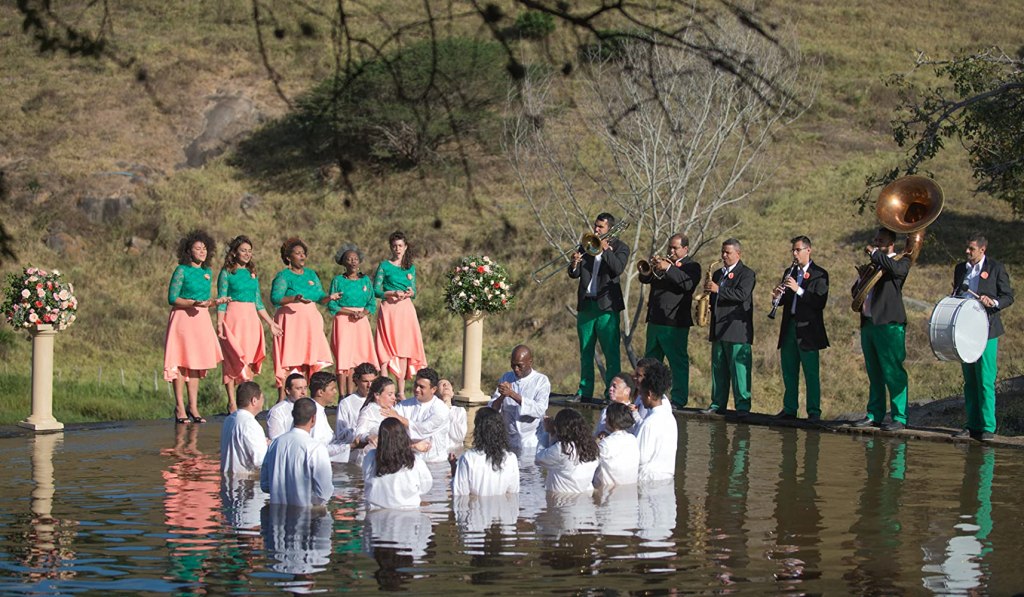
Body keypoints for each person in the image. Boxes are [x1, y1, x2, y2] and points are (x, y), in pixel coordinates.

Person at [951, 234, 1014, 441]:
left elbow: (1008, 297)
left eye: (971, 249)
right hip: (964, 331)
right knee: (970, 381)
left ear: (982, 250)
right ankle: (972, 424)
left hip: (987, 331)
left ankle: (988, 426)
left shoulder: (995, 268)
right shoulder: (961, 269)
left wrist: (994, 302)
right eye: (966, 248)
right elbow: (956, 293)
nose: (967, 252)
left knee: (985, 380)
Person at [164, 229, 228, 424]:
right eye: (197, 248)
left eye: (204, 248)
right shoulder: (181, 270)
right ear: (188, 251)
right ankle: (180, 406)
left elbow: (204, 301)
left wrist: (216, 302)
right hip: (183, 319)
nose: (202, 251)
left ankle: (193, 406)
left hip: (201, 319)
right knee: (182, 361)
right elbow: (172, 298)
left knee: (195, 364)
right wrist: (192, 303)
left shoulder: (207, 272)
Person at [851, 228, 911, 432]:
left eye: (880, 240)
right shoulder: (874, 265)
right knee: (874, 372)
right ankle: (874, 414)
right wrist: (862, 278)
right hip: (869, 324)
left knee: (893, 371)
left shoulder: (901, 261)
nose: (875, 243)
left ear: (891, 243)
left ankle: (899, 416)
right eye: (875, 240)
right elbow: (855, 292)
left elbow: (898, 271)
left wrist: (876, 255)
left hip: (889, 325)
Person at [567, 212, 629, 401]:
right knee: (586, 351)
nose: (596, 230)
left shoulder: (621, 247)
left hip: (607, 307)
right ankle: (584, 391)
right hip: (587, 305)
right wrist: (574, 263)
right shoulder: (586, 245)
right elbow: (574, 274)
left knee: (611, 353)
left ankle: (612, 394)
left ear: (610, 228)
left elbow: (618, 269)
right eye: (595, 226)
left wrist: (606, 251)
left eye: (600, 227)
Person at [217, 235, 283, 413]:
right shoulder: (227, 273)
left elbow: (258, 302)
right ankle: (232, 402)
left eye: (249, 251)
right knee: (232, 358)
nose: (247, 254)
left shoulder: (252, 274)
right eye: (243, 250)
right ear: (235, 252)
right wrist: (219, 322)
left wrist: (270, 323)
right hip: (233, 318)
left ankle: (246, 402)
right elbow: (222, 300)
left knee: (249, 360)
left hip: (251, 320)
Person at [270, 237, 340, 401]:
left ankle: (309, 398)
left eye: (303, 253)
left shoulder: (311, 274)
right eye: (298, 253)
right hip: (291, 323)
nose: (302, 256)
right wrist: (294, 298)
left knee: (310, 360)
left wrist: (330, 297)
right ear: (289, 257)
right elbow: (275, 298)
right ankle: (283, 400)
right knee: (290, 360)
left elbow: (320, 297)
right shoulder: (284, 276)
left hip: (310, 324)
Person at [638, 233, 701, 408]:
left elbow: (687, 285)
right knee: (650, 362)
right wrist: (650, 268)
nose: (671, 251)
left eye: (675, 248)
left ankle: (679, 399)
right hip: (655, 320)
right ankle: (648, 395)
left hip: (675, 323)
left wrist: (668, 269)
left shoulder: (692, 266)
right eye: (670, 247)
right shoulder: (664, 264)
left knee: (677, 362)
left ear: (685, 249)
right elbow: (644, 278)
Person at [771, 236, 830, 421]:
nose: (795, 254)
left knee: (811, 373)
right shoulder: (789, 271)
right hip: (790, 327)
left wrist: (798, 289)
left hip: (808, 330)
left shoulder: (820, 273)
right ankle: (789, 409)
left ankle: (814, 411)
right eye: (793, 251)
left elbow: (819, 301)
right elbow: (786, 300)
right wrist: (776, 298)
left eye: (798, 250)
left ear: (808, 250)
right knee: (789, 371)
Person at [702, 238, 757, 418]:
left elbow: (742, 295)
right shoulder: (718, 273)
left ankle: (742, 406)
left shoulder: (747, 273)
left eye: (728, 252)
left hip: (737, 330)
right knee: (719, 370)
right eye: (723, 252)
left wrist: (718, 290)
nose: (724, 255)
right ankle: (718, 403)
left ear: (738, 254)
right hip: (718, 329)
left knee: (739, 370)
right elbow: (715, 295)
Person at [374, 231, 427, 398]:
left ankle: (401, 391)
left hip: (405, 310)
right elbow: (376, 290)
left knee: (403, 349)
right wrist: (391, 293)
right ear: (391, 247)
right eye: (394, 246)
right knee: (385, 348)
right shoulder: (384, 265)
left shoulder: (410, 267)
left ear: (405, 247)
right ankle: (384, 388)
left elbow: (414, 290)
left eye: (400, 246)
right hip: (389, 309)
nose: (397, 249)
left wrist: (411, 292)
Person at [260, 398, 334, 506]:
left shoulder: (274, 444)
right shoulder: (316, 448)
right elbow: (324, 493)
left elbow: (265, 485)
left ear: (293, 416)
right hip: (305, 516)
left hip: (276, 517)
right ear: (313, 419)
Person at [328, 243, 378, 397]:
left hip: (361, 322)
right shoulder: (338, 280)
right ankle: (343, 395)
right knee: (344, 357)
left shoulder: (365, 281)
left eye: (355, 259)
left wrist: (363, 313)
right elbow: (332, 304)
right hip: (344, 320)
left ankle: (358, 393)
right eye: (349, 259)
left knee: (360, 357)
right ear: (344, 263)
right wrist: (349, 312)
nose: (353, 262)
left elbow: (372, 302)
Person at [488, 345, 551, 455]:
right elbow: (492, 408)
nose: (515, 369)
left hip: (532, 444)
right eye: (513, 365)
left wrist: (512, 394)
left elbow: (539, 410)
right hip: (508, 443)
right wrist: (502, 396)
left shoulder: (541, 381)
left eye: (519, 366)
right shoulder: (506, 377)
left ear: (530, 362)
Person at [362, 418, 433, 510]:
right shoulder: (416, 461)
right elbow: (426, 486)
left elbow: (366, 478)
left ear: (381, 438)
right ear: (404, 436)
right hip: (409, 512)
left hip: (376, 513)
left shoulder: (370, 457)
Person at [451, 407, 520, 496]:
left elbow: (460, 496)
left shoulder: (468, 458)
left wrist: (454, 469)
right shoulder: (511, 458)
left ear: (478, 430)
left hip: (475, 509)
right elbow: (513, 494)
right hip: (502, 509)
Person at [536, 408, 600, 493]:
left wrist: (547, 432)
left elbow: (539, 458)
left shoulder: (563, 448)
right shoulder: (593, 446)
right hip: (585, 498)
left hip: (562, 500)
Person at [634, 360, 677, 482]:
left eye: (641, 394)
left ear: (649, 394)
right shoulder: (670, 418)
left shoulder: (649, 423)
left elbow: (639, 458)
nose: (640, 398)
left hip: (648, 482)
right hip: (666, 480)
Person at [397, 368, 451, 463]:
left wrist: (398, 418)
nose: (417, 389)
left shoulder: (441, 409)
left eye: (422, 387)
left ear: (433, 389)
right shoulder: (403, 405)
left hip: (436, 463)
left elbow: (423, 429)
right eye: (416, 385)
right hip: (409, 461)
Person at [220, 381, 268, 476]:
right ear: (254, 401)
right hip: (244, 483)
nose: (263, 401)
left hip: (227, 481)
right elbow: (260, 461)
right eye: (262, 398)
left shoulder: (229, 419)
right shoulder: (250, 424)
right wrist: (270, 447)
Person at [594, 402, 640, 487]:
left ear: (611, 419)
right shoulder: (633, 439)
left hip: (607, 492)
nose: (604, 420)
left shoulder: (606, 443)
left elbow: (589, 463)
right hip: (630, 491)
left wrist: (596, 442)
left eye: (606, 417)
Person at [337, 362, 378, 444]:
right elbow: (341, 435)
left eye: (372, 381)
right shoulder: (346, 403)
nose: (369, 385)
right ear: (356, 380)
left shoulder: (381, 399)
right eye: (365, 381)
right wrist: (364, 436)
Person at [595, 372, 640, 436]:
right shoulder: (605, 410)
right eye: (610, 386)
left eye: (614, 386)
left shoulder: (633, 412)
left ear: (627, 391)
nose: (610, 389)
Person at [267, 372, 308, 440]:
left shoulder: (311, 407)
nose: (303, 392)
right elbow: (276, 441)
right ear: (288, 390)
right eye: (298, 388)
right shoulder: (277, 411)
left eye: (305, 388)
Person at [439, 378, 467, 451]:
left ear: (452, 393)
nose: (445, 385)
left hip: (455, 456)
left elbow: (459, 436)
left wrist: (447, 410)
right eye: (442, 384)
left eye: (448, 384)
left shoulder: (460, 411)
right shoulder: (432, 411)